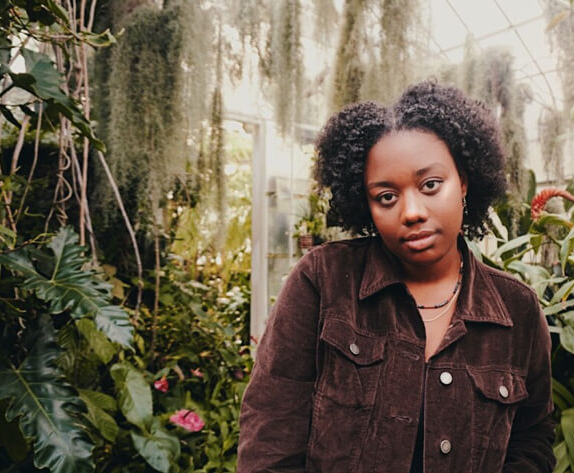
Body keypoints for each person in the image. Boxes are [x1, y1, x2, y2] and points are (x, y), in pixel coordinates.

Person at [238, 81, 555, 472]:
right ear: (366, 206)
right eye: (387, 196)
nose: (411, 212)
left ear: (465, 182)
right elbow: (271, 433)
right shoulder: (323, 281)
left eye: (430, 185)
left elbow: (532, 438)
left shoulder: (516, 309)